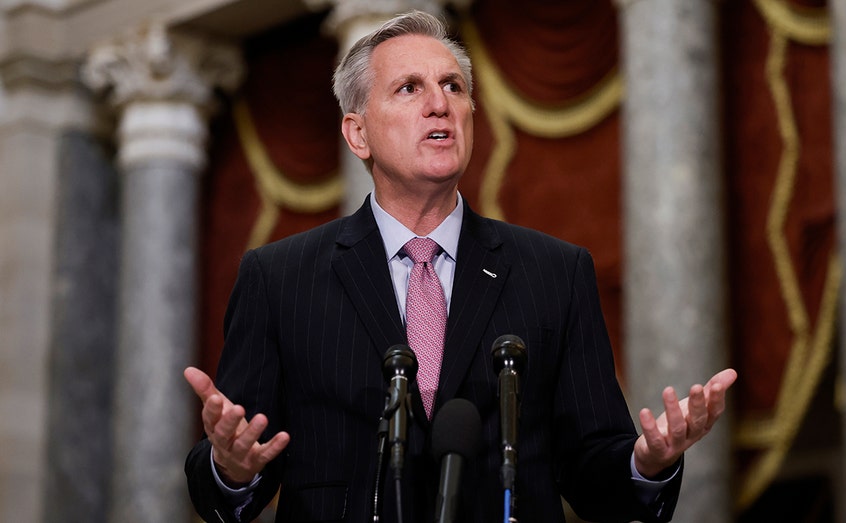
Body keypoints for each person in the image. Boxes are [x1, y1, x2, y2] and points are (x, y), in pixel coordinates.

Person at [184, 10, 737, 523]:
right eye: (409, 89)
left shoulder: (555, 272)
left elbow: (593, 476)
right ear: (358, 134)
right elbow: (234, 484)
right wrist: (231, 469)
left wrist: (647, 464)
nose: (440, 104)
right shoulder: (280, 278)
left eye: (453, 86)